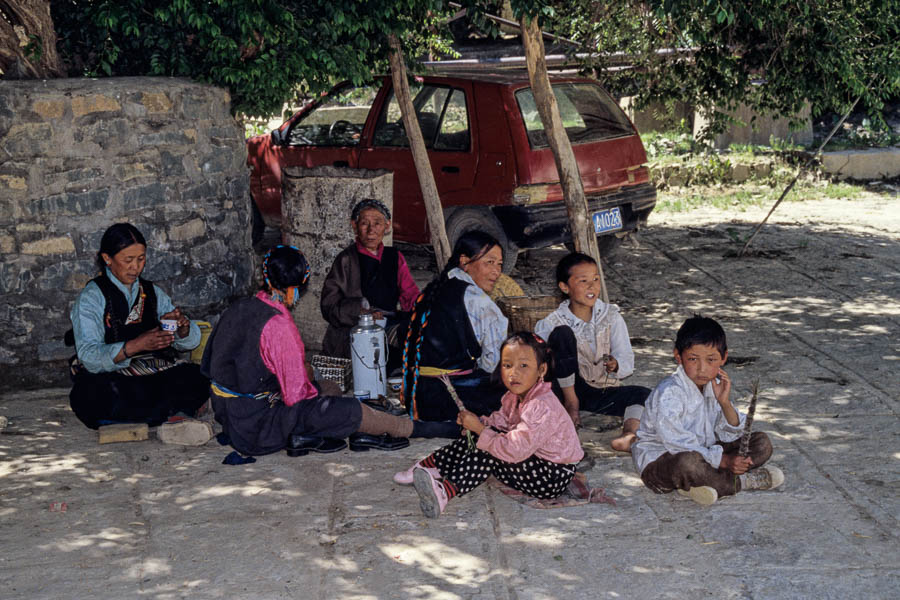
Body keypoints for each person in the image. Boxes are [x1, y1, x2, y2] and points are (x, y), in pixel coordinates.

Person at [200, 245, 446, 457]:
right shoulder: (278, 326)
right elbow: (296, 397)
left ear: (266, 277)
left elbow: (213, 364)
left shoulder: (240, 307)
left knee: (330, 388)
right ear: (298, 287)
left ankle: (305, 437)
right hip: (257, 425)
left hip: (228, 411)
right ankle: (415, 429)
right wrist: (305, 375)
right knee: (347, 410)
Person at [394, 332, 584, 518]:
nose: (513, 373)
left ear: (541, 370)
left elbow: (513, 450)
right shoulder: (514, 397)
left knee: (489, 450)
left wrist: (479, 429)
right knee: (481, 437)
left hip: (551, 476)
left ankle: (445, 492)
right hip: (532, 459)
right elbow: (500, 421)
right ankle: (428, 467)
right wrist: (478, 424)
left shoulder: (542, 406)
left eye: (524, 365)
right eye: (507, 365)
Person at [68, 223, 209, 430]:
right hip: (114, 378)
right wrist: (135, 346)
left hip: (152, 374)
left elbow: (186, 343)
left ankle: (162, 416)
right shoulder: (91, 297)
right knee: (91, 395)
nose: (136, 267)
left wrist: (182, 330)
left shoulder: (151, 292)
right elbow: (88, 356)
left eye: (141, 259)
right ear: (107, 259)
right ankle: (172, 415)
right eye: (128, 260)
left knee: (195, 376)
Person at [632, 315, 784, 505]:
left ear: (724, 358)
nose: (702, 369)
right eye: (693, 359)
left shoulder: (714, 385)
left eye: (711, 360)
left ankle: (703, 484)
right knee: (688, 464)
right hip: (663, 461)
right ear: (678, 357)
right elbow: (677, 443)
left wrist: (724, 403)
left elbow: (729, 433)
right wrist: (726, 461)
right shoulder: (669, 393)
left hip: (706, 450)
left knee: (762, 443)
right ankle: (741, 482)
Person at [535, 252, 650, 451]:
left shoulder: (611, 317)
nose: (592, 286)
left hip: (599, 392)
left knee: (644, 394)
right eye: (583, 281)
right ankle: (571, 405)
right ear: (565, 287)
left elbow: (626, 357)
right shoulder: (552, 322)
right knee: (562, 335)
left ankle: (629, 433)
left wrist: (616, 365)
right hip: (564, 392)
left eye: (596, 279)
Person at [401, 230, 508, 423]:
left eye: (499, 264)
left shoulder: (433, 289)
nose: (496, 271)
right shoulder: (478, 301)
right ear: (465, 262)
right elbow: (492, 363)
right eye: (489, 262)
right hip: (451, 398)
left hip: (418, 396)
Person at [320, 199, 420, 370]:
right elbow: (328, 305)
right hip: (356, 331)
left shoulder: (395, 257)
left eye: (377, 223)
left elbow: (410, 294)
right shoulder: (346, 260)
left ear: (387, 226)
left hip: (387, 324)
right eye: (364, 223)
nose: (371, 229)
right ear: (354, 225)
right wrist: (361, 312)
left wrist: (423, 308)